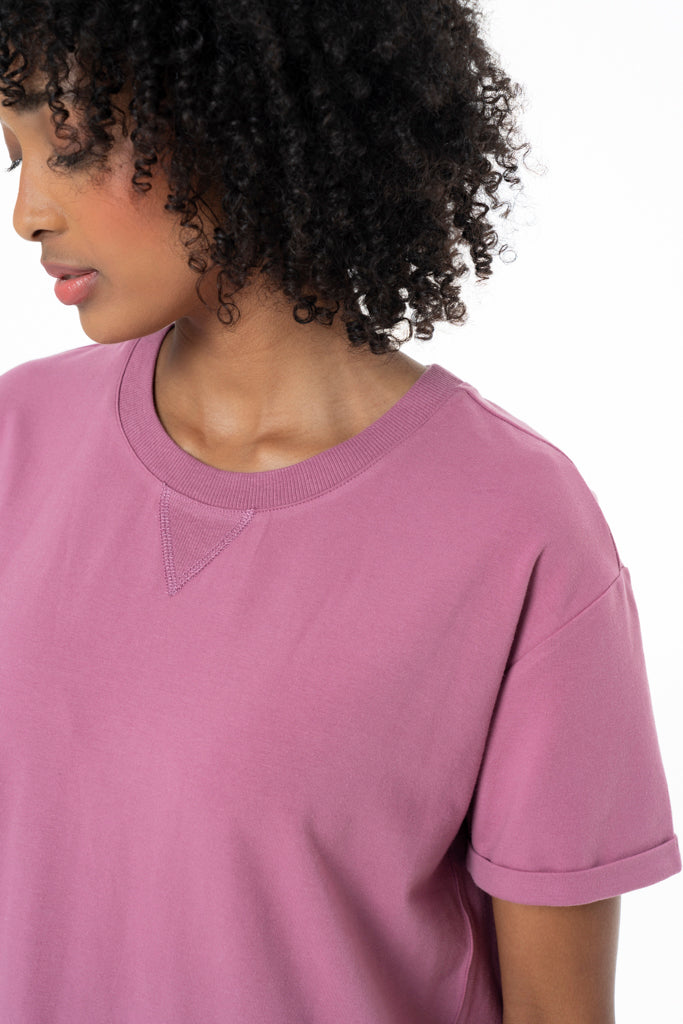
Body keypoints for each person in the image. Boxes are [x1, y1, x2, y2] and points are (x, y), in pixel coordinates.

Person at [0, 1, 679, 1022]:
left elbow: (556, 1011)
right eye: (15, 157)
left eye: (72, 144)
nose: (27, 214)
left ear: (236, 112)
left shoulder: (515, 528)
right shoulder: (16, 441)